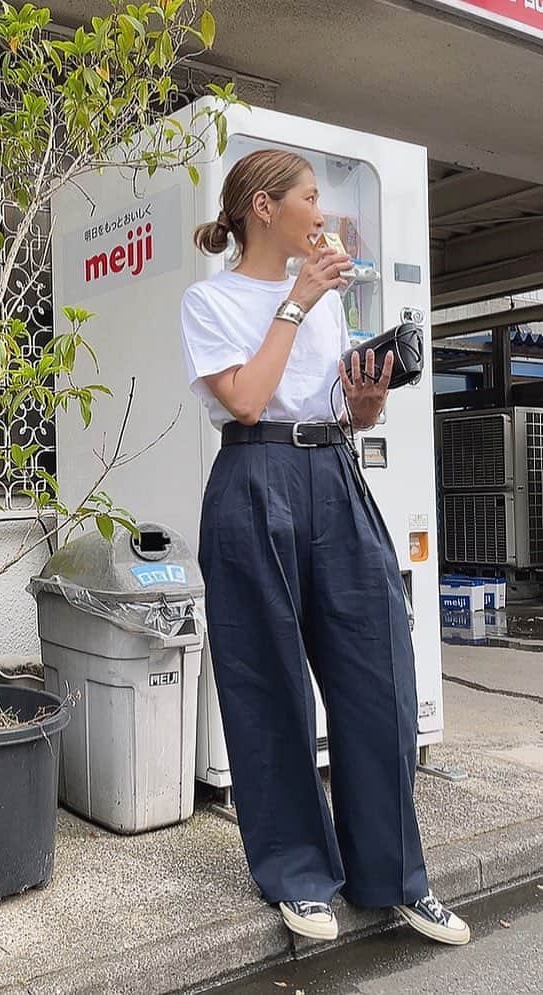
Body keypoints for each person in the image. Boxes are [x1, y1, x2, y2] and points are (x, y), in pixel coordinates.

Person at [179, 148, 469, 946]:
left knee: (377, 671)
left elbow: (346, 410)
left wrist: (366, 399)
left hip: (332, 472)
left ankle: (395, 876)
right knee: (266, 680)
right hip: (252, 478)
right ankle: (298, 875)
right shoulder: (209, 302)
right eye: (311, 197)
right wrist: (297, 302)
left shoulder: (326, 298)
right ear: (263, 208)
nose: (323, 213)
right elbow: (242, 398)